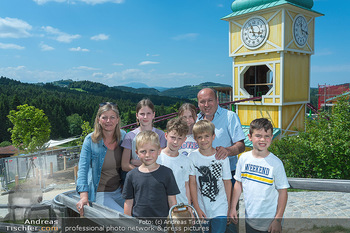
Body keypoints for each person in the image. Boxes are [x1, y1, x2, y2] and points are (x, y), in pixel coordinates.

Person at [229, 118, 289, 233]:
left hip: (270, 223)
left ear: (272, 137)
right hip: (250, 220)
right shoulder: (243, 158)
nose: (263, 139)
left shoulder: (276, 163)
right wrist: (232, 208)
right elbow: (238, 183)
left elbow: (283, 192)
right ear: (250, 137)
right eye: (258, 135)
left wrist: (277, 220)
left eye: (267, 136)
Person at [76, 102, 126, 215]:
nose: (108, 121)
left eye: (112, 117)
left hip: (119, 191)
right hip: (100, 192)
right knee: (123, 220)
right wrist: (84, 196)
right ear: (98, 119)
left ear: (117, 119)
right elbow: (83, 170)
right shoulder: (90, 140)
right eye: (104, 117)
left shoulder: (124, 137)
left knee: (137, 215)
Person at [122, 130, 179, 221]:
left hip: (163, 224)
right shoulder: (131, 175)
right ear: (137, 153)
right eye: (143, 151)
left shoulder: (167, 173)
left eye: (152, 150)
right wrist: (127, 224)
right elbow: (128, 202)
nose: (147, 155)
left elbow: (172, 201)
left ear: (159, 151)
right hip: (139, 224)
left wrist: (175, 222)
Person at [189, 120, 232, 233]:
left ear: (213, 136)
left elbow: (227, 183)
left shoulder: (222, 157)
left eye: (207, 136)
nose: (203, 140)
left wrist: (228, 207)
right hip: (202, 207)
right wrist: (197, 208)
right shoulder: (192, 157)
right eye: (200, 137)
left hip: (220, 208)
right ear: (195, 139)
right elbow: (192, 183)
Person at [121, 98, 166, 172]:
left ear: (153, 115)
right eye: (142, 114)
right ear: (137, 115)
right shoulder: (130, 136)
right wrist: (142, 172)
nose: (145, 117)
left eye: (148, 113)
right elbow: (125, 165)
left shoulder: (160, 135)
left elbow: (163, 161)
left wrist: (137, 162)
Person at [157, 117, 191, 205]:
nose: (175, 142)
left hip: (181, 206)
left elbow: (186, 185)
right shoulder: (157, 158)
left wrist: (189, 206)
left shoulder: (186, 161)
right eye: (173, 137)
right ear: (166, 136)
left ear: (184, 140)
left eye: (180, 138)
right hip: (162, 206)